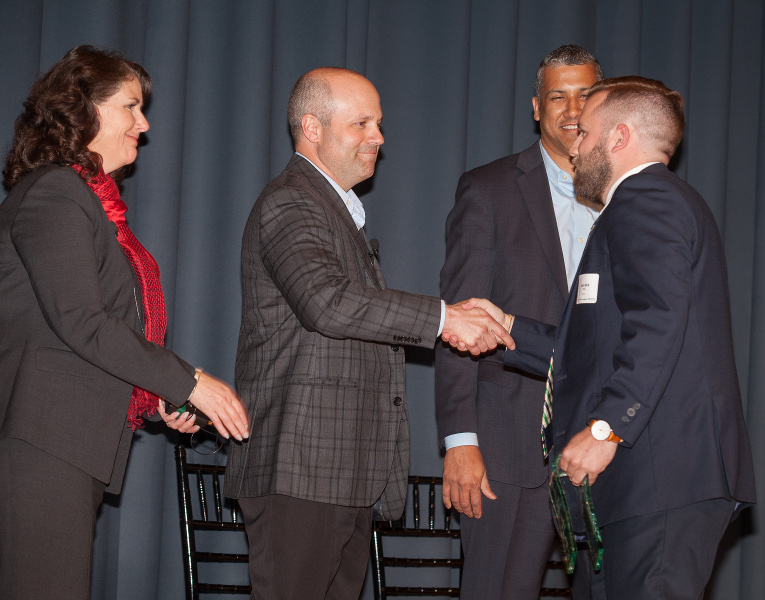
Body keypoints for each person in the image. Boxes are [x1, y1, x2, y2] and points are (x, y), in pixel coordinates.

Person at [459, 76, 756, 599]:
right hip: (638, 488)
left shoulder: (646, 200)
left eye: (585, 134)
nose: (574, 147)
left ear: (619, 137)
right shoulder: (642, 205)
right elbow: (598, 351)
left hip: (659, 481)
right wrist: (509, 329)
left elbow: (660, 322)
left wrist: (604, 430)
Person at [226, 67, 513, 600]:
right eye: (361, 123)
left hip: (341, 475)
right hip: (301, 472)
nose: (379, 137)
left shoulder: (334, 210)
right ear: (312, 127)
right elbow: (327, 303)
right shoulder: (292, 201)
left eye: (378, 123)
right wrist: (445, 319)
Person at [0, 45, 250, 600]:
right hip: (43, 440)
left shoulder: (88, 201)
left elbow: (100, 328)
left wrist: (158, 397)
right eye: (131, 107)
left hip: (67, 440)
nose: (145, 122)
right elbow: (81, 321)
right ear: (82, 108)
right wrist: (190, 382)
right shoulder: (55, 192)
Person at [435, 45, 602, 598]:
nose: (573, 108)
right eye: (559, 95)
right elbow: (459, 320)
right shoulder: (489, 190)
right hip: (507, 450)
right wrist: (460, 440)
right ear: (536, 106)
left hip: (605, 449)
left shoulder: (627, 195)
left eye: (586, 95)